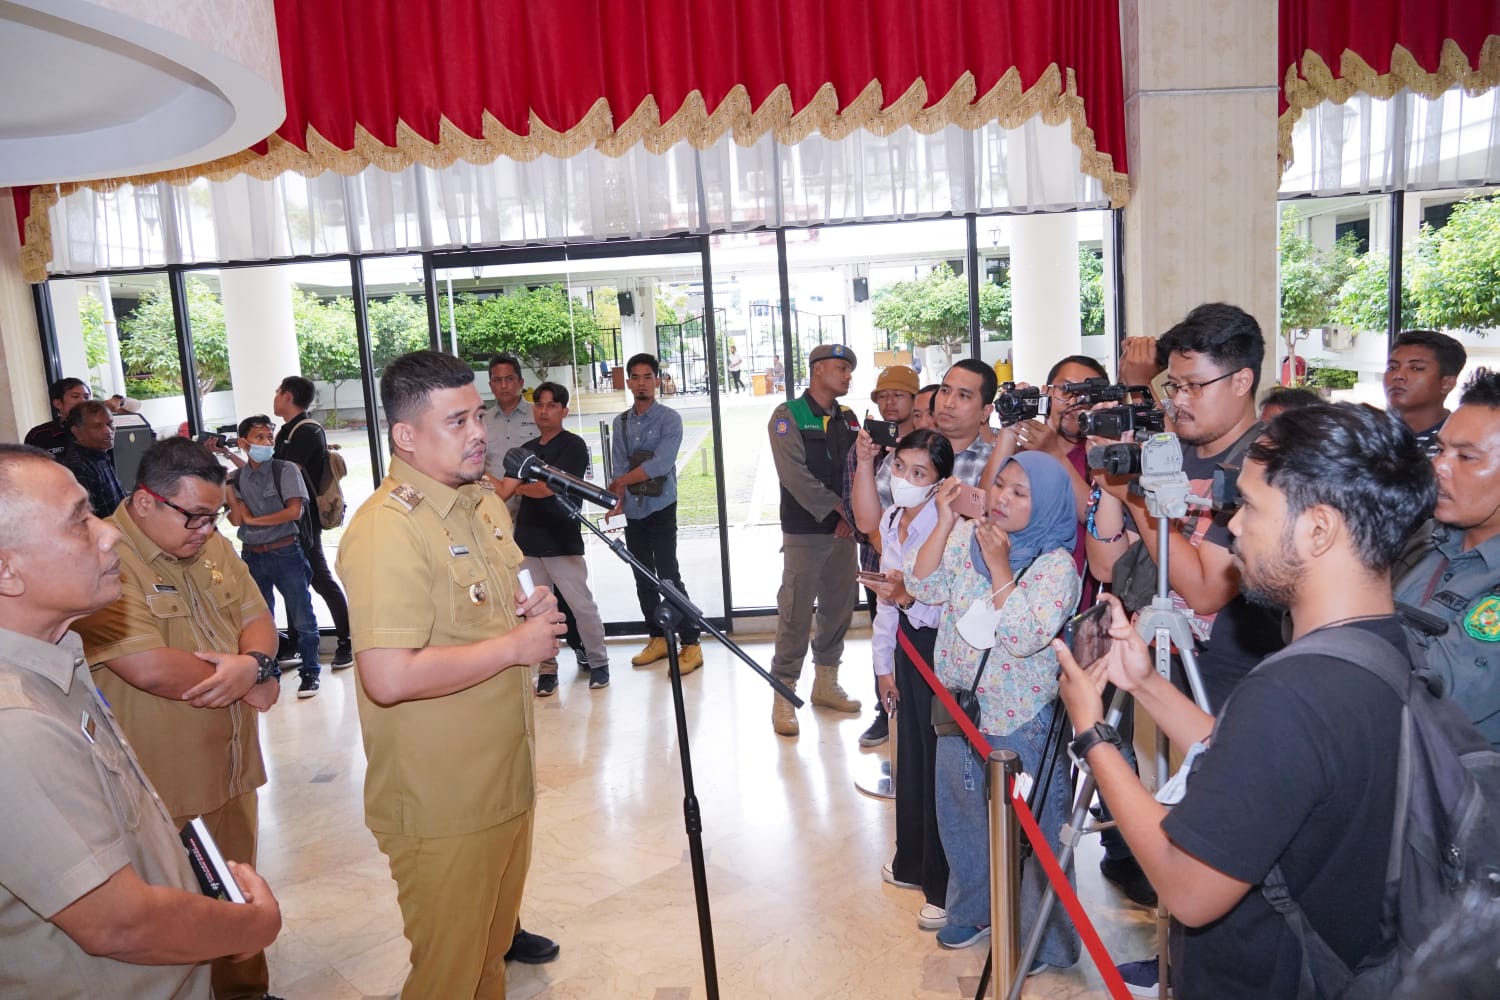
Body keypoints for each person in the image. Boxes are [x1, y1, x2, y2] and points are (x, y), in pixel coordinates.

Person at [1056, 402, 1435, 998]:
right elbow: (1256, 767)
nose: (1233, 528)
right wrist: (1145, 684)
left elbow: (1186, 889)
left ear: (1318, 529)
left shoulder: (1290, 692)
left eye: (1252, 507)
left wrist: (1092, 731)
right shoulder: (1377, 647)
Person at [0, 445, 283, 999]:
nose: (107, 535)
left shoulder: (60, 652)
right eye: (80, 521)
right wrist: (255, 926)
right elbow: (119, 922)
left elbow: (257, 620)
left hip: (224, 768)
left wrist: (252, 665)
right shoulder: (17, 725)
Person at [335, 350, 566, 1000]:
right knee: (449, 978)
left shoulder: (480, 503)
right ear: (406, 436)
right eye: (457, 421)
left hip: (501, 781)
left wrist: (532, 610)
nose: (478, 433)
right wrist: (516, 647)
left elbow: (499, 606)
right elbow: (388, 676)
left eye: (479, 417)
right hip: (443, 803)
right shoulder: (388, 531)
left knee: (487, 963)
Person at [905, 451, 1081, 968]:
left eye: (1019, 492)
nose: (1002, 497)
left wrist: (1001, 565)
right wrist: (943, 524)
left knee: (1037, 828)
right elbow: (922, 586)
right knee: (959, 814)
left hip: (1021, 715)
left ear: (1045, 504)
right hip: (959, 708)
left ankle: (1049, 938)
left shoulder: (1055, 566)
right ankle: (972, 908)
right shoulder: (969, 537)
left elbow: (1024, 635)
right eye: (1000, 485)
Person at [1085, 302, 1282, 714]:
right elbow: (1107, 567)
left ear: (1242, 380)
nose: (1179, 400)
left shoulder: (1262, 462)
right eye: (1173, 386)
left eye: (1194, 386)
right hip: (1158, 663)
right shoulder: (1173, 452)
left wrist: (1136, 498)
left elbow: (1206, 592)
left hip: (1227, 685)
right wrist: (1110, 482)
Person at [852, 428, 953, 929]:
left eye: (920, 474)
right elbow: (886, 605)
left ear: (939, 483)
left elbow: (938, 605)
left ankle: (946, 882)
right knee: (911, 757)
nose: (906, 481)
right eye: (901, 469)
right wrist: (883, 669)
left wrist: (906, 596)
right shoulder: (893, 520)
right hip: (909, 651)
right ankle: (912, 859)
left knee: (940, 765)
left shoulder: (947, 525)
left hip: (942, 653)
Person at [1395, 367, 1500, 748]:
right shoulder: (1429, 542)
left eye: (1467, 457)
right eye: (1440, 450)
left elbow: (1436, 700)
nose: (1439, 466)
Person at [767, 342, 862, 736]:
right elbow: (794, 475)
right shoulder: (788, 416)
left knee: (840, 607)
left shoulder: (850, 418)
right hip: (806, 531)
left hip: (844, 530)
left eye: (848, 369)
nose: (847, 375)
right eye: (841, 368)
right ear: (818, 370)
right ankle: (783, 695)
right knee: (795, 612)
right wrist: (838, 509)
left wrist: (851, 514)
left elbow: (860, 468)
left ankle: (825, 683)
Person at [500, 381, 612, 696]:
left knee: (581, 606)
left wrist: (518, 487)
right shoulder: (528, 451)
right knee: (537, 611)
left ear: (564, 410)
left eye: (551, 405)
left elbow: (549, 488)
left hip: (562, 539)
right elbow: (503, 490)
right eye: (539, 405)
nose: (544, 411)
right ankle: (548, 670)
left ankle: (598, 662)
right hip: (528, 541)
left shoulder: (573, 445)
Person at [607, 353, 704, 674]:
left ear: (657, 380)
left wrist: (621, 481)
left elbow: (661, 464)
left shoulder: (669, 419)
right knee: (641, 576)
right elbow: (618, 466)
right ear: (629, 382)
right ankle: (659, 638)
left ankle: (691, 642)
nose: (641, 383)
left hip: (662, 507)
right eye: (635, 377)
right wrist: (617, 499)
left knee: (667, 576)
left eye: (647, 377)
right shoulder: (620, 423)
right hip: (633, 511)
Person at [842, 363, 920, 747]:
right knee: (883, 637)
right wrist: (886, 549)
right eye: (882, 396)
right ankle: (884, 710)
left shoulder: (927, 446)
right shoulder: (863, 448)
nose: (890, 403)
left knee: (920, 643)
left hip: (923, 571)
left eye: (899, 395)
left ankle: (919, 716)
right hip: (878, 567)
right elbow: (855, 510)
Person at [227, 415, 324, 699]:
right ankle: (270, 674)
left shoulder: (285, 470)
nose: (267, 442)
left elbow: (294, 511)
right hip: (253, 556)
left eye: (269, 437)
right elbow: (235, 520)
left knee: (302, 615)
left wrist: (255, 521)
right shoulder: (237, 477)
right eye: (259, 438)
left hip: (286, 551)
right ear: (244, 443)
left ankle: (310, 672)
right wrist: (230, 495)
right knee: (261, 618)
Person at [272, 374, 353, 670]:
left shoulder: (306, 431)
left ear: (289, 396)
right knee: (295, 581)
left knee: (320, 578)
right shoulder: (286, 431)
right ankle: (296, 641)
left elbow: (286, 472)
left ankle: (345, 640)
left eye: (278, 392)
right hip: (289, 517)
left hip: (304, 518)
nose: (275, 396)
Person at [1384, 329, 1467, 456]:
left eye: (1416, 368)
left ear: (1447, 383)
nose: (1398, 375)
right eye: (1392, 368)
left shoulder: (1464, 443)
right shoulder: (1365, 434)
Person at [481, 353, 539, 515]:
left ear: (520, 382)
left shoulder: (538, 415)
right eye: (497, 380)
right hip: (494, 509)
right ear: (490, 385)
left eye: (509, 379)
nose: (504, 385)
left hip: (533, 509)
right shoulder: (481, 421)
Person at [58, 399, 125, 518]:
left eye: (110, 424)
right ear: (77, 432)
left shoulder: (100, 455)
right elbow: (87, 521)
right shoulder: (78, 467)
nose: (108, 431)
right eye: (97, 427)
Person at [24, 376, 91, 458]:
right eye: (75, 396)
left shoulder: (101, 429)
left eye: (86, 397)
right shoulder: (38, 435)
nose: (83, 401)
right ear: (58, 403)